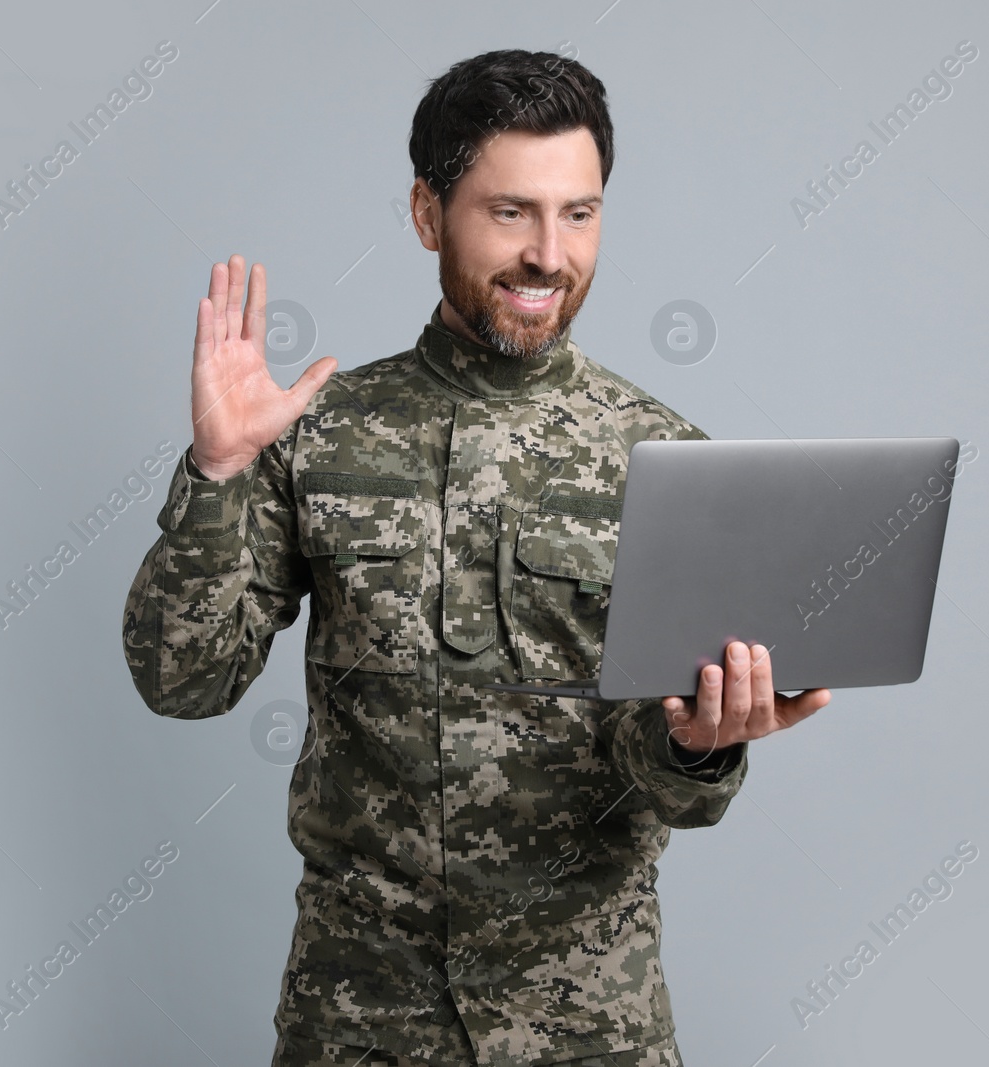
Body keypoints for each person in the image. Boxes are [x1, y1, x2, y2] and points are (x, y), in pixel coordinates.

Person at [122, 48, 830, 1067]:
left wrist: (700, 741)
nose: (549, 253)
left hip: (592, 1030)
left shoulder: (666, 461)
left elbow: (670, 790)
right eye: (510, 213)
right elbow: (181, 680)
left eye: (578, 213)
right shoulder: (319, 434)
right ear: (426, 213)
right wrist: (218, 469)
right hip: (358, 1027)